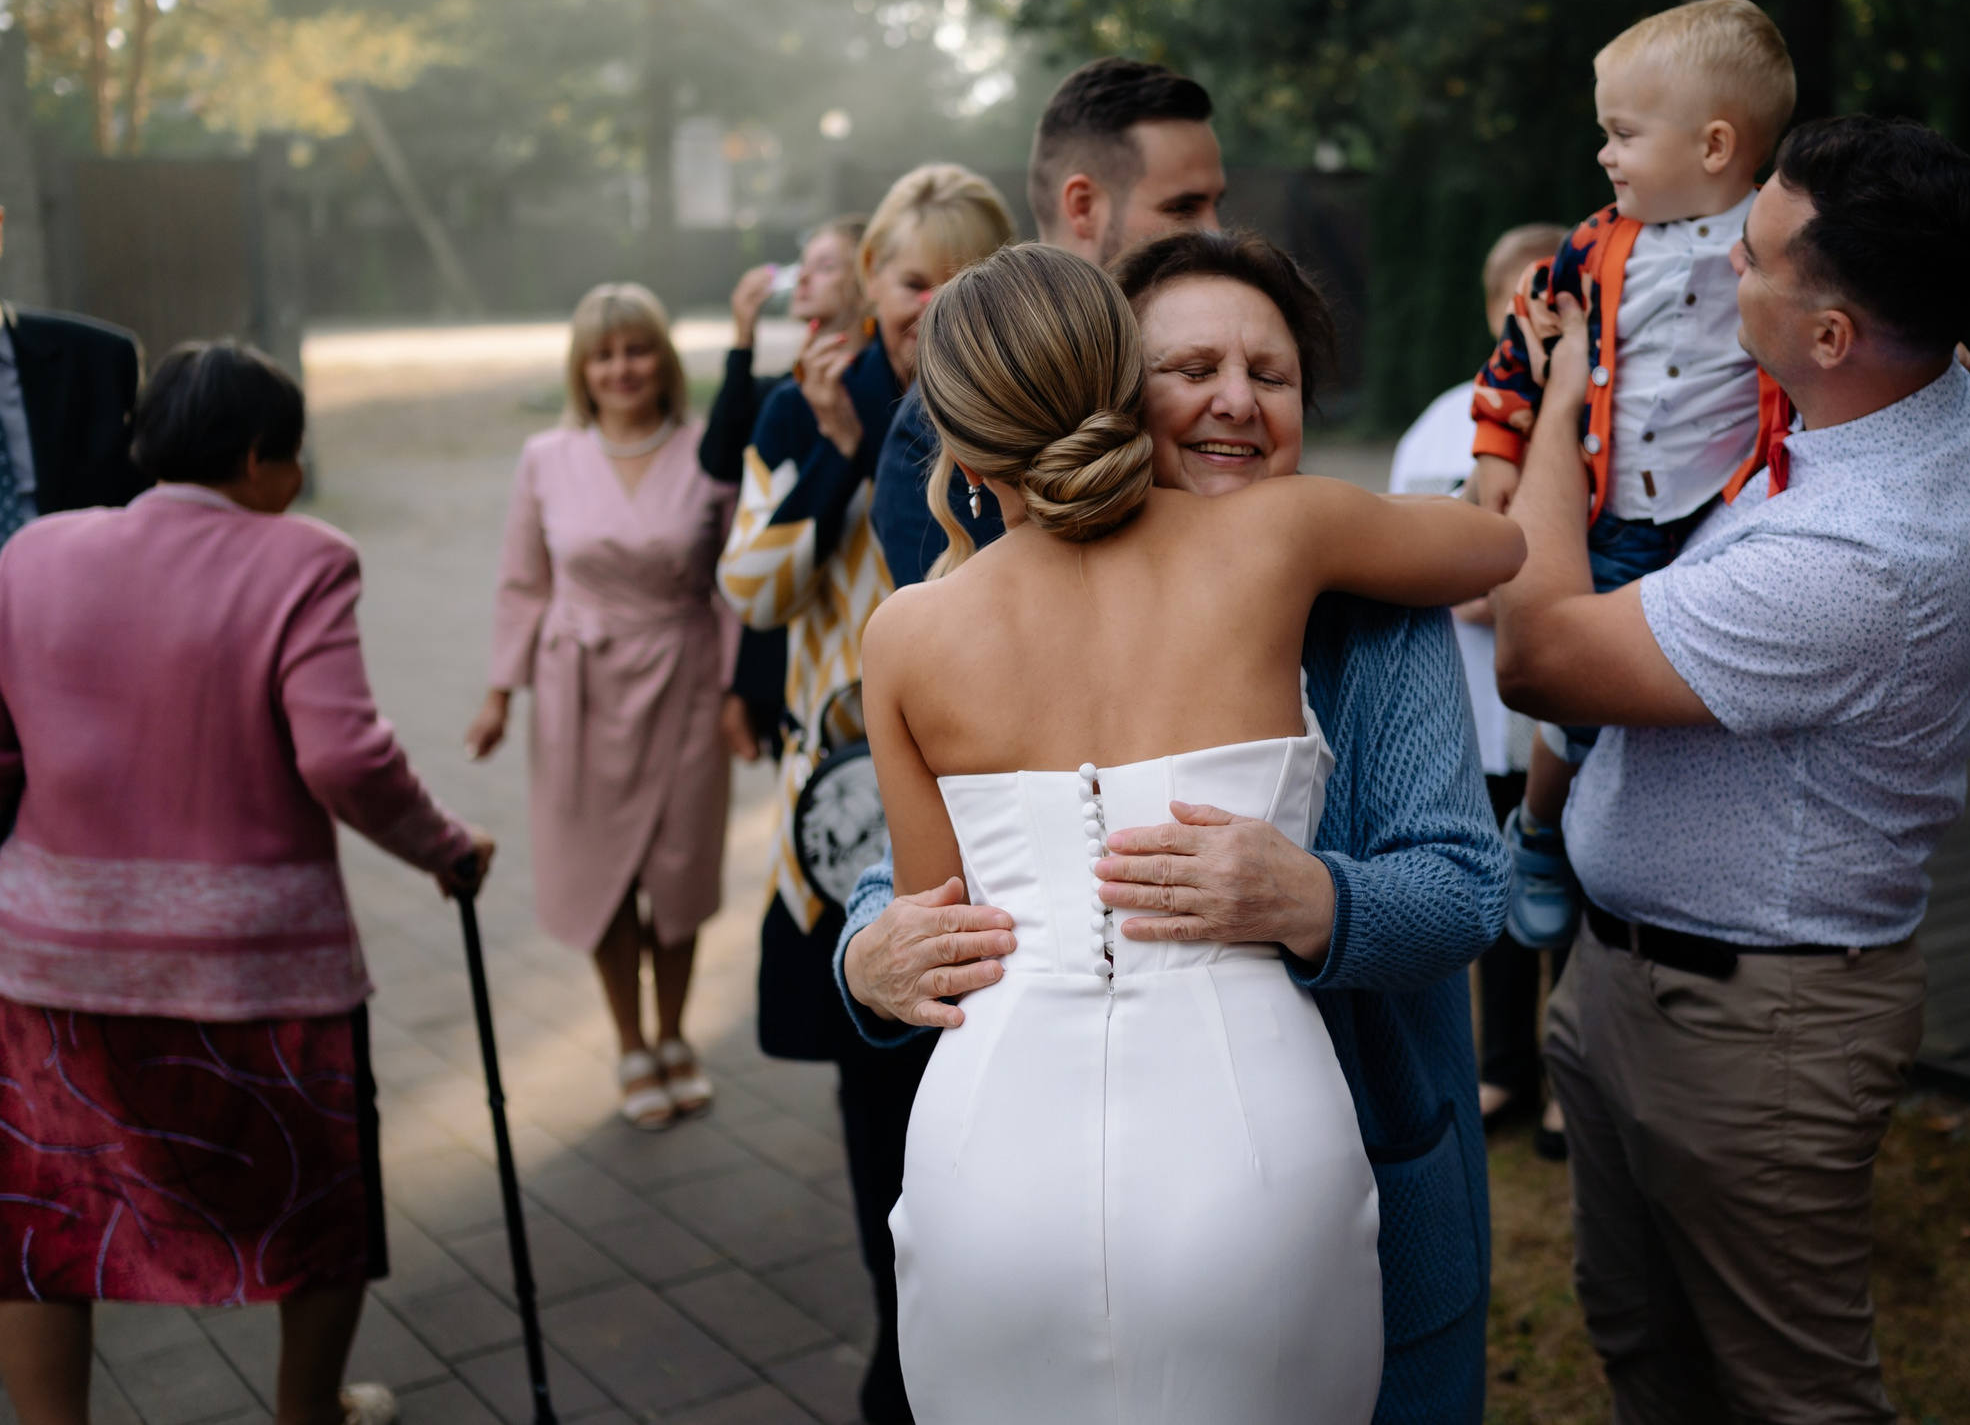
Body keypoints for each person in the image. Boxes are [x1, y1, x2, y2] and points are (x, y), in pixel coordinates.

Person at [841, 227, 1516, 1425]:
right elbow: (919, 930)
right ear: (1117, 387)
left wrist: (1318, 897)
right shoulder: (1294, 531)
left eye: (1272, 374)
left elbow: (955, 904)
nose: (1235, 403)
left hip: (991, 1143)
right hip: (1250, 1129)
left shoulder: (909, 631)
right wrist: (865, 950)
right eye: (1191, 368)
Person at [1492, 115, 1970, 1423]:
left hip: (1752, 1033)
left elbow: (1541, 656)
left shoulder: (1861, 556)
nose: (1724, 260)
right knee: (1644, 1346)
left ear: (1835, 335)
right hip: (1636, 980)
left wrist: (1567, 396)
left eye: (1756, 253)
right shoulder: (1912, 387)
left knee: (1794, 1395)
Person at [0, 339, 493, 1425]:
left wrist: (42, 794)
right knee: (319, 1193)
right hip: (257, 967)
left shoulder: (38, 551)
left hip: (52, 958)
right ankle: (306, 1408)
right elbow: (345, 756)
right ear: (256, 456)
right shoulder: (303, 558)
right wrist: (446, 845)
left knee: (38, 1212)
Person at [714, 166, 1011, 1425]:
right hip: (848, 840)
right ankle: (902, 1367)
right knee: (880, 1115)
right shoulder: (801, 408)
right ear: (874, 283)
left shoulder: (1019, 408)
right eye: (909, 277)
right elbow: (750, 585)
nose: (929, 302)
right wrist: (837, 459)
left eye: (959, 276)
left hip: (996, 805)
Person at [1463, 0, 1795, 954]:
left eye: (1622, 133)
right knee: (1574, 689)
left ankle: (1630, 853)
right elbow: (1520, 356)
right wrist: (1495, 451)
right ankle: (1536, 830)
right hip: (1612, 514)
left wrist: (1936, 353)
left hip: (1720, 523)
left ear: (1715, 145)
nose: (1604, 155)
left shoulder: (1783, 247)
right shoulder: (1591, 247)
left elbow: (1854, 321)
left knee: (1677, 704)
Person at [0, 137, 144, 1250]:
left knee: (123, 1018)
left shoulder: (100, 364)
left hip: (105, 767)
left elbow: (166, 551)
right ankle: (9, 1258)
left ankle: (131, 1223)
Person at [468, 285, 737, 1131]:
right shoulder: (545, 456)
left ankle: (674, 1032)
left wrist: (739, 694)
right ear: (582, 369)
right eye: (604, 353)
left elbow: (733, 588)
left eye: (638, 349)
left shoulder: (711, 452)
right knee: (603, 874)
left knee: (679, 865)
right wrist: (498, 695)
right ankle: (629, 1040)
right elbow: (522, 581)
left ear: (663, 359)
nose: (622, 368)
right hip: (577, 691)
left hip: (686, 677)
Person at [869, 56, 1225, 586]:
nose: (1216, 232)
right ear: (1083, 206)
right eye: (1185, 206)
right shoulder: (947, 412)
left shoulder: (1228, 375)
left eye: (1217, 203)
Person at [1388, 221, 1569, 1158]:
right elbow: (1424, 555)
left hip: (1572, 719)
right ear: (1506, 307)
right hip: (1478, 714)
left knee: (1573, 886)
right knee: (1498, 894)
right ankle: (1505, 1060)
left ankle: (1569, 1078)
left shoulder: (1600, 418)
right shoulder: (1443, 425)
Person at [698, 215, 869, 759]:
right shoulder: (789, 395)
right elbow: (718, 458)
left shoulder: (887, 386)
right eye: (803, 265)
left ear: (870, 278)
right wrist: (742, 338)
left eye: (826, 265)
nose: (803, 279)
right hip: (788, 640)